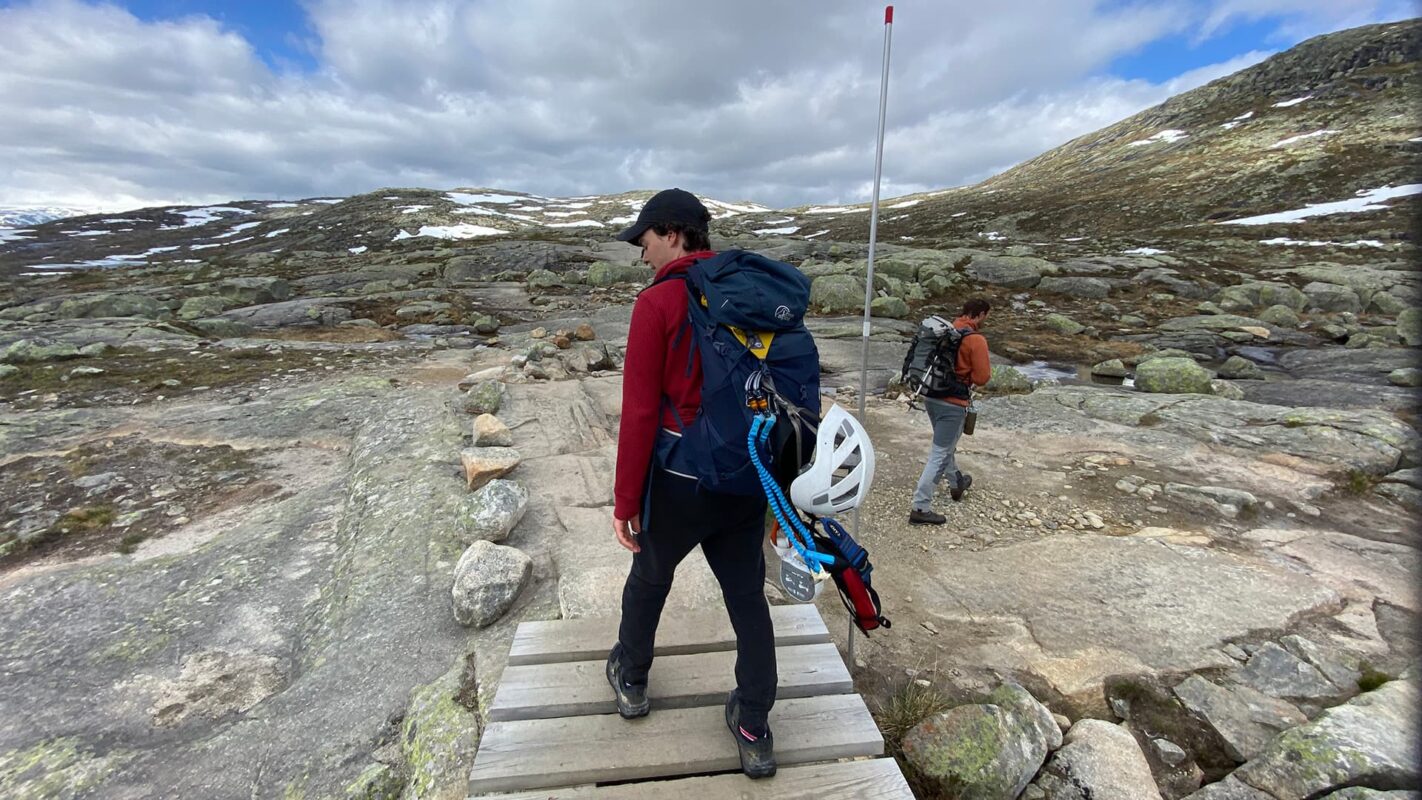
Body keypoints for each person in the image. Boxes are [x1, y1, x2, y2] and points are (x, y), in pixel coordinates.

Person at [606, 188, 778, 778]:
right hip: (746, 478)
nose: (642, 253)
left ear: (674, 232)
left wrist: (626, 500)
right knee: (747, 597)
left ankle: (631, 680)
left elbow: (639, 414)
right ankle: (753, 724)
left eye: (646, 239)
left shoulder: (657, 304)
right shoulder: (753, 292)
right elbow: (777, 398)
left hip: (681, 482)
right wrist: (778, 491)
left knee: (650, 578)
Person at [908, 297, 992, 525]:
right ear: (981, 314)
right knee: (940, 453)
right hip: (954, 403)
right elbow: (982, 377)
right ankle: (920, 507)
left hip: (931, 398)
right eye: (986, 316)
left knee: (946, 446)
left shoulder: (947, 331)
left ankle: (957, 483)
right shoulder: (975, 340)